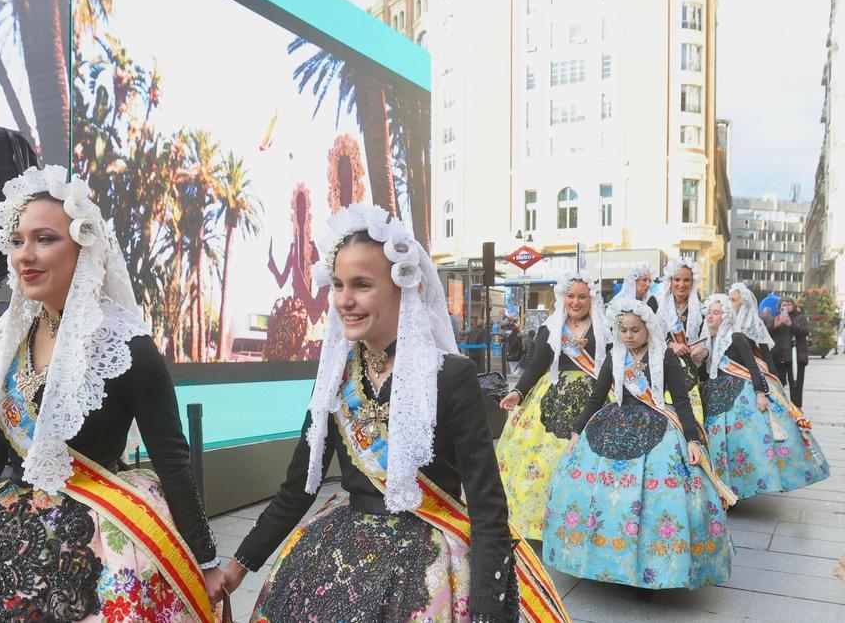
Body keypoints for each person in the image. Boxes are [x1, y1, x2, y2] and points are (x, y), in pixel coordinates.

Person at [0, 167, 224, 621]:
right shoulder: (11, 342)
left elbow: (172, 460)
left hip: (95, 536)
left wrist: (206, 563)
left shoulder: (125, 344)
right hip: (2, 531)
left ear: (83, 249)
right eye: (16, 241)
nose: (25, 256)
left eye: (45, 239)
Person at [219, 204, 568, 623]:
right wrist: (237, 567)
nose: (344, 300)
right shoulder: (335, 377)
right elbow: (298, 488)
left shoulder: (450, 375)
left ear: (405, 287)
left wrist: (487, 610)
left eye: (362, 285)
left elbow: (487, 506)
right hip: (337, 558)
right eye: (338, 284)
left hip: (428, 569)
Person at [543, 299, 734, 590]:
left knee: (656, 499)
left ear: (648, 328)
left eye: (635, 330)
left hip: (659, 424)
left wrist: (692, 439)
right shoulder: (614, 356)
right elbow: (596, 398)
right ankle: (605, 557)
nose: (629, 335)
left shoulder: (665, 358)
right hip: (612, 423)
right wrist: (576, 432)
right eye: (623, 330)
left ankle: (656, 564)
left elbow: (681, 400)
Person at [495, 273, 608, 541]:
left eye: (582, 296)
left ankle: (585, 523)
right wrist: (518, 392)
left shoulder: (604, 328)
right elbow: (536, 364)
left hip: (596, 396)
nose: (576, 302)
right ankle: (539, 522)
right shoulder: (551, 327)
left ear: (591, 298)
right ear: (562, 298)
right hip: (552, 398)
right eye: (571, 296)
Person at [700, 295, 829, 500]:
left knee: (745, 442)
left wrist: (761, 393)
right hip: (716, 396)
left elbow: (752, 366)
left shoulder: (736, 337)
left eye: (716, 313)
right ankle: (724, 488)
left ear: (726, 316)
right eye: (708, 313)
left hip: (740, 394)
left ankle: (743, 486)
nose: (710, 316)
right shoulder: (708, 340)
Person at [647, 258, 707, 423]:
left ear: (693, 282)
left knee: (694, 419)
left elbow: (708, 342)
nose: (681, 284)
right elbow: (644, 334)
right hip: (661, 370)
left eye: (686, 280)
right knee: (664, 420)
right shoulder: (655, 303)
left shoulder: (700, 309)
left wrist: (703, 353)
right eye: (677, 279)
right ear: (670, 281)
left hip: (689, 374)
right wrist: (669, 344)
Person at [767, 296, 811, 408]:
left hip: (796, 356)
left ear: (794, 305)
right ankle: (780, 407)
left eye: (788, 304)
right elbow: (766, 334)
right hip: (779, 356)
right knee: (778, 383)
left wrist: (790, 324)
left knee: (796, 384)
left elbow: (804, 332)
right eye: (783, 305)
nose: (786, 307)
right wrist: (774, 326)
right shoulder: (775, 317)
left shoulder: (800, 317)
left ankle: (797, 409)